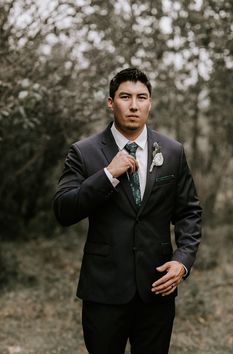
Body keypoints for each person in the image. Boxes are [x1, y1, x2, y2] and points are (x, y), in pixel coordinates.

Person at [53, 67, 202, 354]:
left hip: (157, 290)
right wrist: (108, 174)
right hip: (103, 292)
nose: (134, 105)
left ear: (150, 102)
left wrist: (182, 261)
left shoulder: (172, 151)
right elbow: (63, 210)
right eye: (125, 97)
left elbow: (189, 212)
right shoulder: (84, 152)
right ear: (111, 102)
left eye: (141, 97)